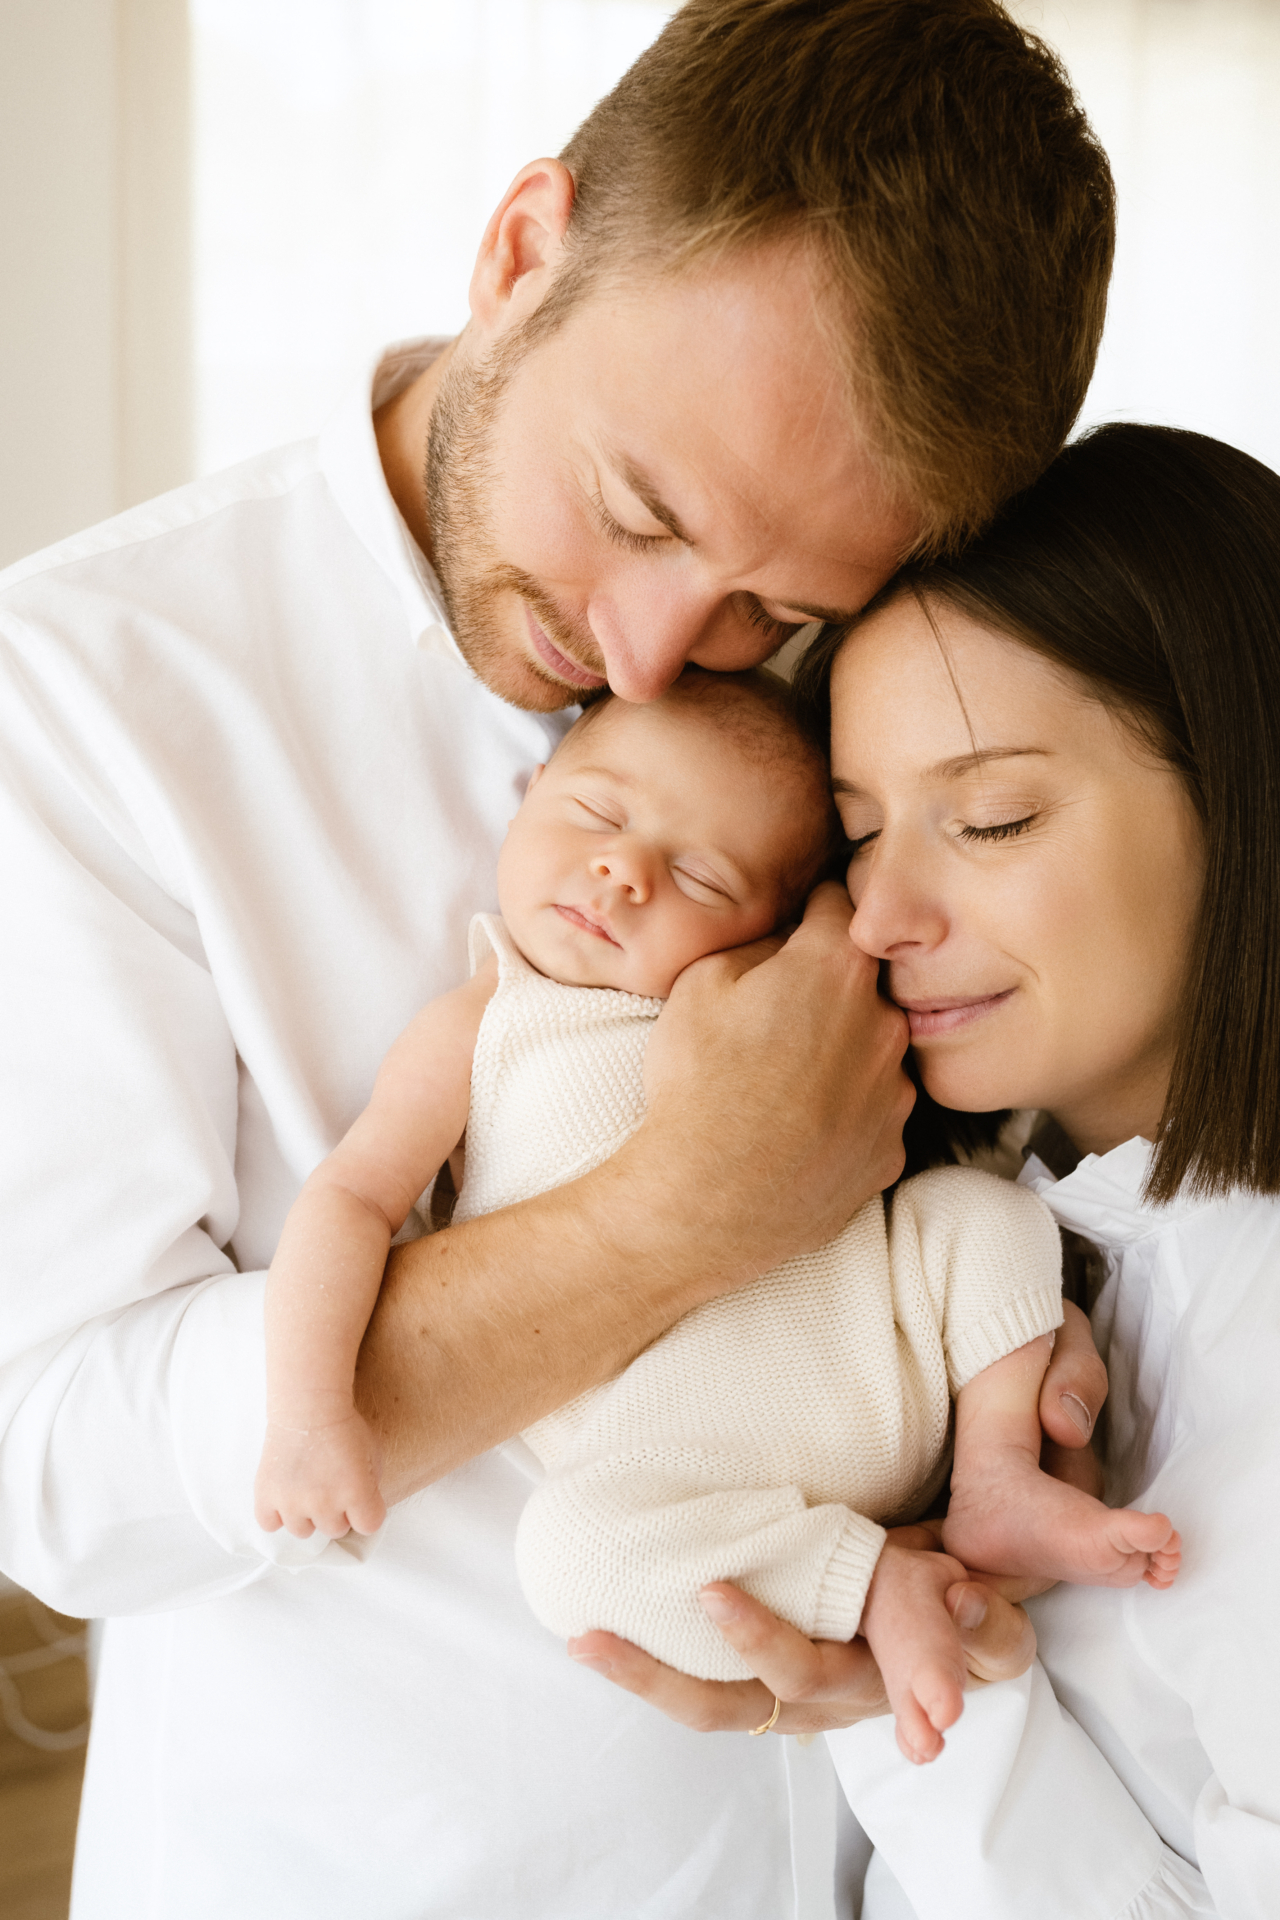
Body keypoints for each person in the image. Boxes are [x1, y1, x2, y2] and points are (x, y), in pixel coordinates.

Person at [0, 3, 1117, 1913]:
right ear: (522, 249)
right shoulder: (88, 701)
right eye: (636, 511)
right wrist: (677, 1211)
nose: (657, 651)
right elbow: (64, 1470)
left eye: (777, 604)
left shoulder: (891, 669)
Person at [253, 665, 1178, 1764]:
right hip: (685, 1472)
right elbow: (351, 1200)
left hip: (876, 1359)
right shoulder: (488, 1021)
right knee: (569, 1557)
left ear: (778, 921)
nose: (622, 871)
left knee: (976, 1216)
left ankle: (993, 1479)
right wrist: (312, 1413)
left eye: (698, 874)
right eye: (596, 813)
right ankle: (873, 1579)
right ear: (531, 788)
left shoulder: (769, 1006)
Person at [598, 422, 1277, 1917]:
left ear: (1242, 790)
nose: (882, 913)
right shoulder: (1002, 1249)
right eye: (854, 836)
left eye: (991, 819)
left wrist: (923, 1705)